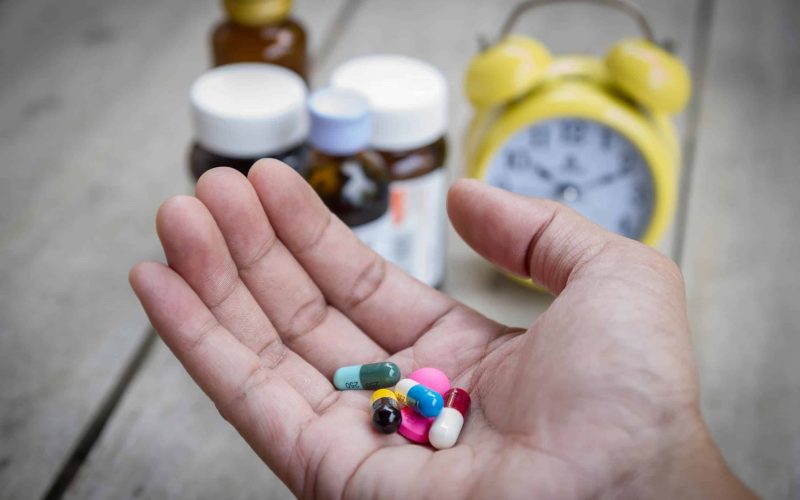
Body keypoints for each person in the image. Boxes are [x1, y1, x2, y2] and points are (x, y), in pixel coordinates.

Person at [130, 160, 755, 499]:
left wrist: (644, 468)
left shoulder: (426, 404)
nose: (408, 402)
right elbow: (410, 402)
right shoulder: (406, 401)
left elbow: (425, 406)